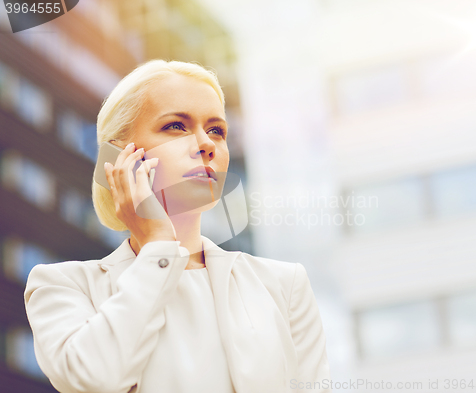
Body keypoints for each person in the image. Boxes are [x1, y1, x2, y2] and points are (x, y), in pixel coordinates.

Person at [24, 59, 331, 393]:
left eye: (217, 130)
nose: (206, 144)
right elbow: (96, 377)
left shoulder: (284, 286)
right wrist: (158, 247)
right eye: (176, 126)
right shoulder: (63, 287)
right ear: (116, 158)